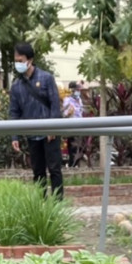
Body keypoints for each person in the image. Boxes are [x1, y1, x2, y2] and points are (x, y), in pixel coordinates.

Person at [9, 41, 63, 198]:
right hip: (32, 135)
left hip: (50, 134)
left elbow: (55, 105)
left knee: (54, 169)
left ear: (30, 60)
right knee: (38, 172)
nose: (18, 64)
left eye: (20, 60)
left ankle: (58, 204)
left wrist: (52, 128)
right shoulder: (17, 86)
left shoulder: (46, 78)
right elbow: (14, 112)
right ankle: (41, 205)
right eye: (16, 61)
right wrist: (15, 136)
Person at [62, 81, 88, 168]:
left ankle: (77, 164)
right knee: (72, 147)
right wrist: (69, 113)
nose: (78, 92)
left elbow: (81, 112)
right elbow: (65, 114)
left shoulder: (79, 100)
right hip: (71, 127)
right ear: (72, 90)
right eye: (77, 90)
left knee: (79, 147)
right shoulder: (67, 100)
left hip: (80, 126)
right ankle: (72, 165)